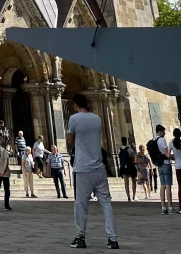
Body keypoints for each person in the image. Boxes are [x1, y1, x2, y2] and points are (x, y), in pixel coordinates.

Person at [66, 93, 118, 250]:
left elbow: (70, 140)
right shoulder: (97, 119)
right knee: (106, 203)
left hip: (83, 168)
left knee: (81, 204)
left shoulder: (74, 119)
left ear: (76, 105)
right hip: (99, 167)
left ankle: (80, 237)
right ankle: (112, 239)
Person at [151, 124, 174, 214]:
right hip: (166, 163)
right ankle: (170, 207)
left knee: (162, 186)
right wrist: (174, 157)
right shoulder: (162, 140)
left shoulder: (153, 140)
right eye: (164, 132)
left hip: (159, 165)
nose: (164, 133)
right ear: (160, 131)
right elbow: (167, 154)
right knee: (168, 186)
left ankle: (163, 207)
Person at [0, 137, 11, 211]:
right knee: (6, 189)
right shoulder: (4, 151)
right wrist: (3, 172)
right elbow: (6, 163)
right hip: (5, 173)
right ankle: (6, 204)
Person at [118, 136, 137, 201]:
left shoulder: (119, 149)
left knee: (126, 182)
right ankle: (134, 195)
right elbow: (133, 157)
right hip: (130, 167)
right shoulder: (129, 149)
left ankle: (128, 197)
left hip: (123, 167)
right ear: (126, 141)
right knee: (133, 180)